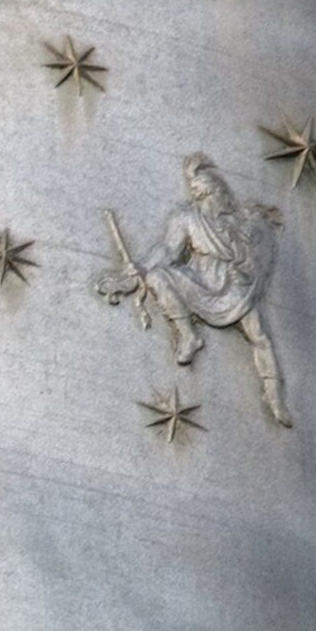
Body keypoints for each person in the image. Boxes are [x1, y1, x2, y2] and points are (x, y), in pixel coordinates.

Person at [102, 155, 293, 427]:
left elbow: (256, 254)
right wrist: (140, 271)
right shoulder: (187, 217)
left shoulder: (239, 223)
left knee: (260, 336)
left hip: (236, 285)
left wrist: (247, 266)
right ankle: (188, 335)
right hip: (199, 278)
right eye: (201, 193)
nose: (210, 198)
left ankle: (275, 399)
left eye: (211, 192)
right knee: (158, 277)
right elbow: (167, 250)